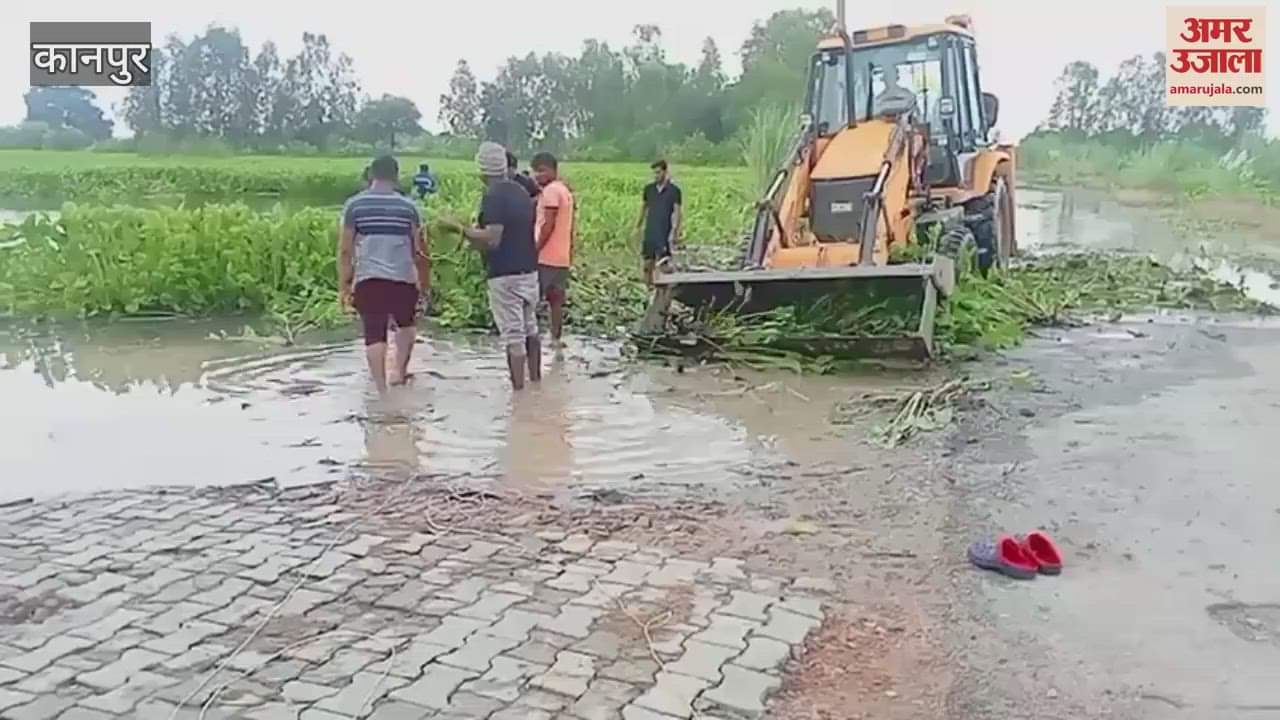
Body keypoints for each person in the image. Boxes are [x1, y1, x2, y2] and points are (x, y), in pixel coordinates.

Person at [442, 142, 542, 391]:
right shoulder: (520, 191)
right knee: (531, 328)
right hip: (529, 269)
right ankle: (537, 384)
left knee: (513, 335)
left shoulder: (493, 196)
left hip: (504, 275)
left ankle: (519, 394)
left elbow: (493, 238)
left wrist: (460, 229)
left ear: (482, 171)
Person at [338, 154, 427, 394]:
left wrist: (344, 286)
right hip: (403, 278)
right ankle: (398, 372)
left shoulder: (354, 206)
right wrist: (424, 283)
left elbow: (346, 250)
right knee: (406, 325)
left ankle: (380, 389)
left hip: (368, 278)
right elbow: (419, 251)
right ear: (397, 177)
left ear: (370, 175)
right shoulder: (409, 207)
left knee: (374, 332)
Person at [531, 152, 574, 344]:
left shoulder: (550, 192)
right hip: (561, 258)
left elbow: (548, 225)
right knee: (556, 302)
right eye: (535, 172)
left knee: (531, 300)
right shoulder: (564, 190)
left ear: (553, 170)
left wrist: (535, 249)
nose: (537, 176)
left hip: (546, 257)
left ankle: (528, 340)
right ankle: (556, 341)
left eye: (541, 171)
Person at [635, 159, 682, 287]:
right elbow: (644, 208)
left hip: (664, 231)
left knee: (664, 264)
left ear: (665, 172)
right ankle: (647, 289)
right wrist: (638, 226)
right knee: (647, 264)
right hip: (650, 231)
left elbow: (677, 213)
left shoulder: (674, 191)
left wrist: (675, 232)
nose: (656, 176)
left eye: (658, 173)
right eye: (654, 173)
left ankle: (665, 289)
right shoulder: (649, 189)